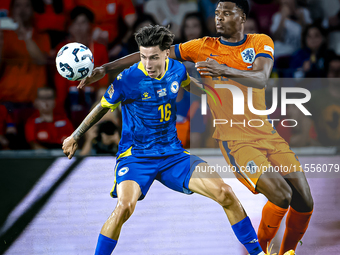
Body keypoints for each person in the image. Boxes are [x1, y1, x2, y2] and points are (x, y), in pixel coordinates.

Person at [77, 1, 312, 254]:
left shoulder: (260, 41)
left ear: (242, 17)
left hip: (263, 134)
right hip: (234, 141)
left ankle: (288, 251)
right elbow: (152, 52)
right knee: (281, 196)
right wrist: (105, 68)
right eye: (216, 13)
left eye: (226, 13)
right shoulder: (201, 47)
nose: (218, 18)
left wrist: (218, 72)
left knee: (304, 201)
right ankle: (262, 250)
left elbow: (260, 78)